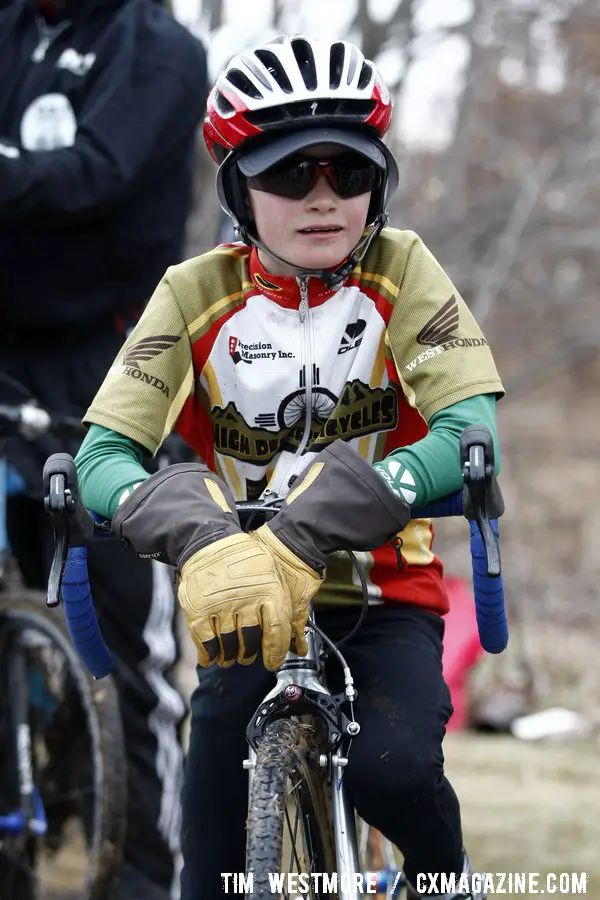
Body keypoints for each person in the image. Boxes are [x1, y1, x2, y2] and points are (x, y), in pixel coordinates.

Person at [74, 35, 505, 899]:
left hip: (385, 598)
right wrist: (199, 535)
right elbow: (102, 457)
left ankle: (443, 879)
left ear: (376, 182)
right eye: (286, 175)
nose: (321, 198)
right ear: (239, 185)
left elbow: (470, 426)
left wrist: (313, 523)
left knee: (394, 771)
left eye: (347, 174)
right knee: (214, 855)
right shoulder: (194, 294)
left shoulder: (403, 270)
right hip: (245, 605)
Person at [0, 0, 207, 896]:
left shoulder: (157, 49)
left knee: (123, 651)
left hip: (114, 367)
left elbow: (94, 175)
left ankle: (141, 878)